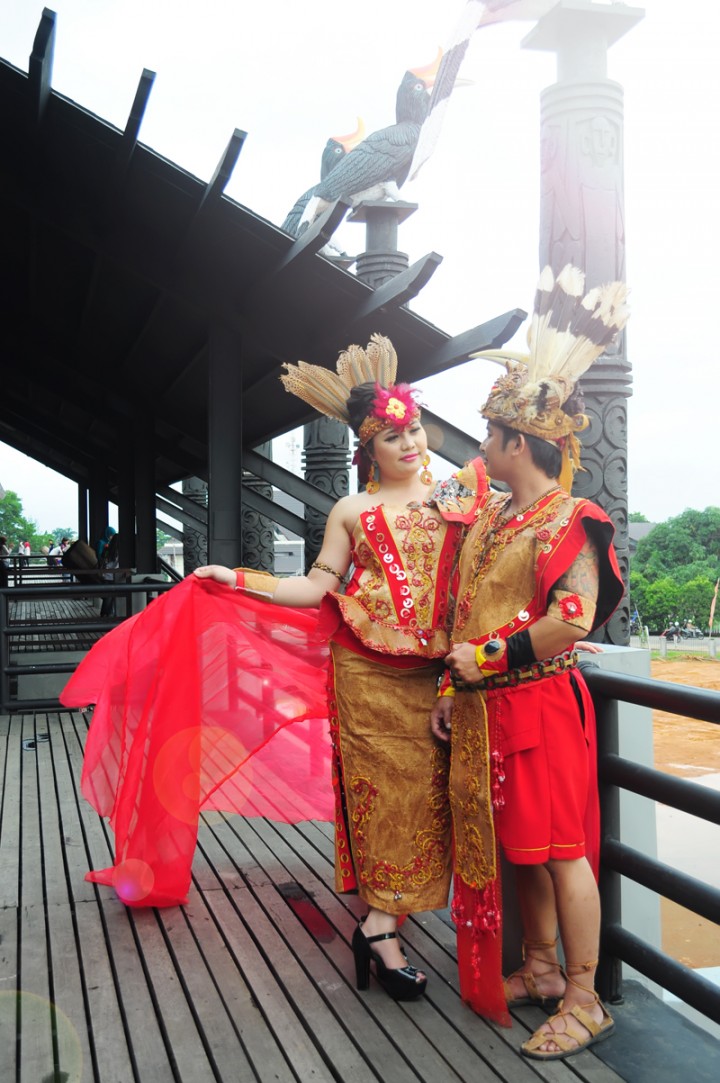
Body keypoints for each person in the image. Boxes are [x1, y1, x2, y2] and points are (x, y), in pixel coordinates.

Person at [194, 334, 489, 1003]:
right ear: (368, 450)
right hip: (364, 673)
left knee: (439, 797)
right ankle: (382, 928)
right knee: (384, 799)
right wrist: (239, 577)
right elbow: (319, 584)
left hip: (440, 675)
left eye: (413, 429)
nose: (410, 443)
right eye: (393, 436)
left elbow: (496, 573)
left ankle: (390, 920)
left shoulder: (462, 496)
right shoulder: (351, 510)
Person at [431, 264, 628, 1060]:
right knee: (522, 852)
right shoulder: (500, 516)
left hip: (539, 705)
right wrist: (457, 681)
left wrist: (482, 657)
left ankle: (586, 996)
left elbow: (569, 619)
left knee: (561, 853)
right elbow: (470, 608)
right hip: (493, 707)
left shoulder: (570, 518)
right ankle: (543, 966)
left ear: (519, 441)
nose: (482, 447)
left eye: (488, 436)